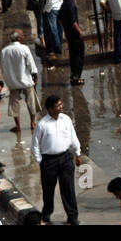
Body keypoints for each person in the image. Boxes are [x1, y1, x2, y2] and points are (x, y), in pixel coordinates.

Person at [32, 95, 82, 224]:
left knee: (68, 189)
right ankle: (47, 214)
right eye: (58, 105)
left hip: (65, 158)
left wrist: (78, 153)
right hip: (49, 161)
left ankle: (72, 217)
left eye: (61, 104)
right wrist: (40, 161)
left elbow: (73, 136)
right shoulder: (42, 124)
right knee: (48, 189)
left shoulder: (66, 119)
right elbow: (35, 145)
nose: (61, 107)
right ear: (50, 108)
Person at [0, 30, 39, 132]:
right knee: (31, 102)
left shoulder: (4, 51)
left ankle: (18, 125)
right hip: (26, 80)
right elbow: (31, 63)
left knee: (14, 103)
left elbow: (3, 67)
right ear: (19, 38)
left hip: (13, 81)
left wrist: (7, 79)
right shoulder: (24, 48)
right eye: (22, 35)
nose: (23, 36)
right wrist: (34, 75)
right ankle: (33, 122)